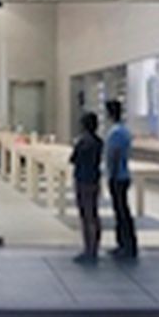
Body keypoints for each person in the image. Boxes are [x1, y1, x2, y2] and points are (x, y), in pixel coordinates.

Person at [104, 99, 137, 260]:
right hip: (122, 175)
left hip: (118, 177)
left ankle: (126, 245)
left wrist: (112, 176)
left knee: (121, 212)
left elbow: (114, 155)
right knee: (122, 211)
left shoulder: (116, 133)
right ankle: (124, 244)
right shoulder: (124, 131)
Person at [69, 110, 103, 263]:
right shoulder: (98, 141)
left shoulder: (83, 142)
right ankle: (94, 247)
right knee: (93, 214)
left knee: (86, 215)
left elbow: (73, 159)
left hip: (83, 180)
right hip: (94, 179)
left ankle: (89, 249)